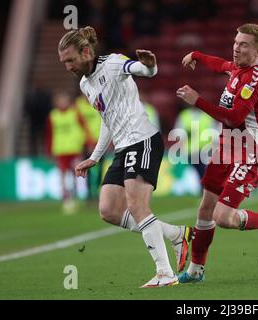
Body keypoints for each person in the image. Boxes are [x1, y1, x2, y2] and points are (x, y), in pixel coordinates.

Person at [58, 26, 192, 288]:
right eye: (63, 62)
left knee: (137, 206)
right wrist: (96, 157)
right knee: (108, 210)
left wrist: (151, 66)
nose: (67, 67)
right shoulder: (86, 84)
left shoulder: (113, 64)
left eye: (70, 60)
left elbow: (145, 71)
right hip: (122, 148)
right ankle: (177, 235)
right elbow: (107, 120)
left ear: (86, 52)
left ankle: (165, 273)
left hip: (143, 141)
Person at [176, 23, 258, 283]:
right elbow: (221, 65)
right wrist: (197, 55)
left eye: (243, 44)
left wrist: (198, 101)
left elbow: (234, 117)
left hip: (249, 150)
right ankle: (196, 271)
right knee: (205, 208)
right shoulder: (239, 66)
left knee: (222, 216)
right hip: (226, 146)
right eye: (236, 42)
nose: (236, 48)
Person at [46, 92, 88, 213]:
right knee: (63, 176)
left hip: (74, 149)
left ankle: (75, 195)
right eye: (60, 100)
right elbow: (49, 135)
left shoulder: (74, 112)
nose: (62, 103)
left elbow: (83, 127)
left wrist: (84, 141)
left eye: (64, 100)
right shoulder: (53, 116)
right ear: (56, 102)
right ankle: (66, 198)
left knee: (76, 174)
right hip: (61, 150)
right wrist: (49, 151)